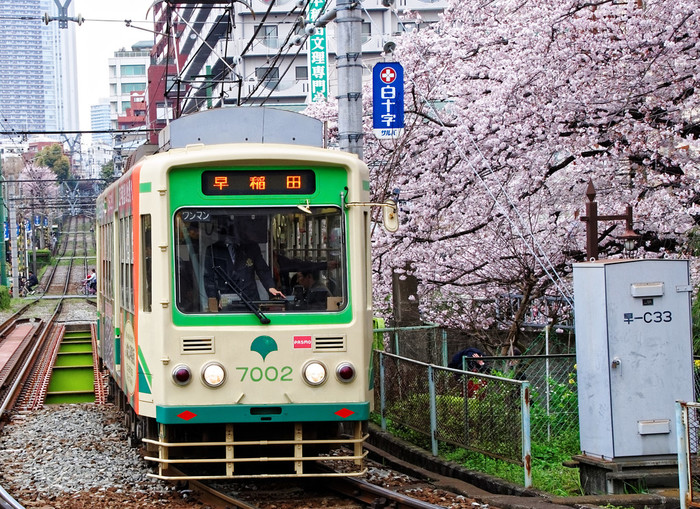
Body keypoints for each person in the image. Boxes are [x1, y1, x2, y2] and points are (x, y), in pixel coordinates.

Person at [204, 225, 284, 309]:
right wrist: (214, 298)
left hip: (250, 300)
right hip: (225, 300)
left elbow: (262, 269)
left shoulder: (251, 247)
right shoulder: (213, 250)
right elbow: (209, 277)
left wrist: (270, 287)